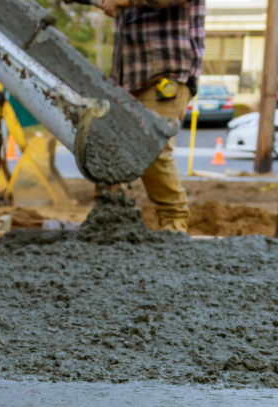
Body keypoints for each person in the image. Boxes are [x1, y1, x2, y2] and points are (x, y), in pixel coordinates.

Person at [99, 0, 205, 233]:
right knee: (106, 146)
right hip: (127, 75)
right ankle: (108, 223)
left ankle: (174, 224)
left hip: (165, 71)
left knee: (151, 147)